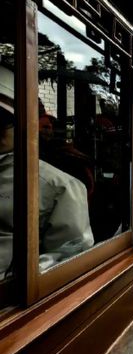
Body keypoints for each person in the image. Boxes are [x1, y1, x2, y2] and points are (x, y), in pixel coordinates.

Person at [0, 65, 94, 276]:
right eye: (44, 128)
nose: (48, 132)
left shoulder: (59, 183)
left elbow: (70, 257)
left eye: (2, 121)